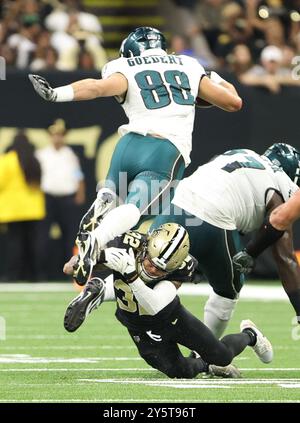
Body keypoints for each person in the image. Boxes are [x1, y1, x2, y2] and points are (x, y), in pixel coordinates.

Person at [29, 26, 242, 286]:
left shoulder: (125, 66)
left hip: (128, 145)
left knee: (114, 202)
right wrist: (214, 77)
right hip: (164, 149)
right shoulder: (188, 64)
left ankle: (104, 203)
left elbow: (96, 88)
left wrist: (56, 94)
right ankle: (96, 240)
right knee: (133, 209)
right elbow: (233, 102)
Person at [63, 222, 273, 379]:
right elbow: (78, 264)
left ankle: (250, 335)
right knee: (181, 372)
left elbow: (154, 305)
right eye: (150, 262)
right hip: (137, 325)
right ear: (147, 246)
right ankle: (99, 291)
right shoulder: (129, 242)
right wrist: (82, 262)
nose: (152, 269)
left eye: (160, 268)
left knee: (223, 356)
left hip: (171, 317)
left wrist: (131, 274)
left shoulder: (183, 267)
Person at [150, 144, 300, 338]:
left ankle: (102, 289)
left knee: (142, 268)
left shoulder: (243, 154)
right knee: (228, 289)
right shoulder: (280, 183)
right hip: (214, 215)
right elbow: (285, 258)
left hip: (179, 200)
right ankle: (206, 353)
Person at [35, 118, 85, 279]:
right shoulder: (41, 154)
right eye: (55, 135)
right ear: (50, 136)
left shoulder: (70, 154)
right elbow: (35, 178)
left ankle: (70, 273)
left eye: (61, 135)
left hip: (67, 199)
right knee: (42, 236)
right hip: (47, 198)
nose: (58, 138)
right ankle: (41, 273)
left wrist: (80, 193)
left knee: (70, 236)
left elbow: (78, 176)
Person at [0, 132, 45, 281]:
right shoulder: (34, 159)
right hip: (33, 209)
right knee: (32, 244)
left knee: (14, 244)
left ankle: (13, 275)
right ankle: (34, 275)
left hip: (13, 210)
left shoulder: (7, 160)